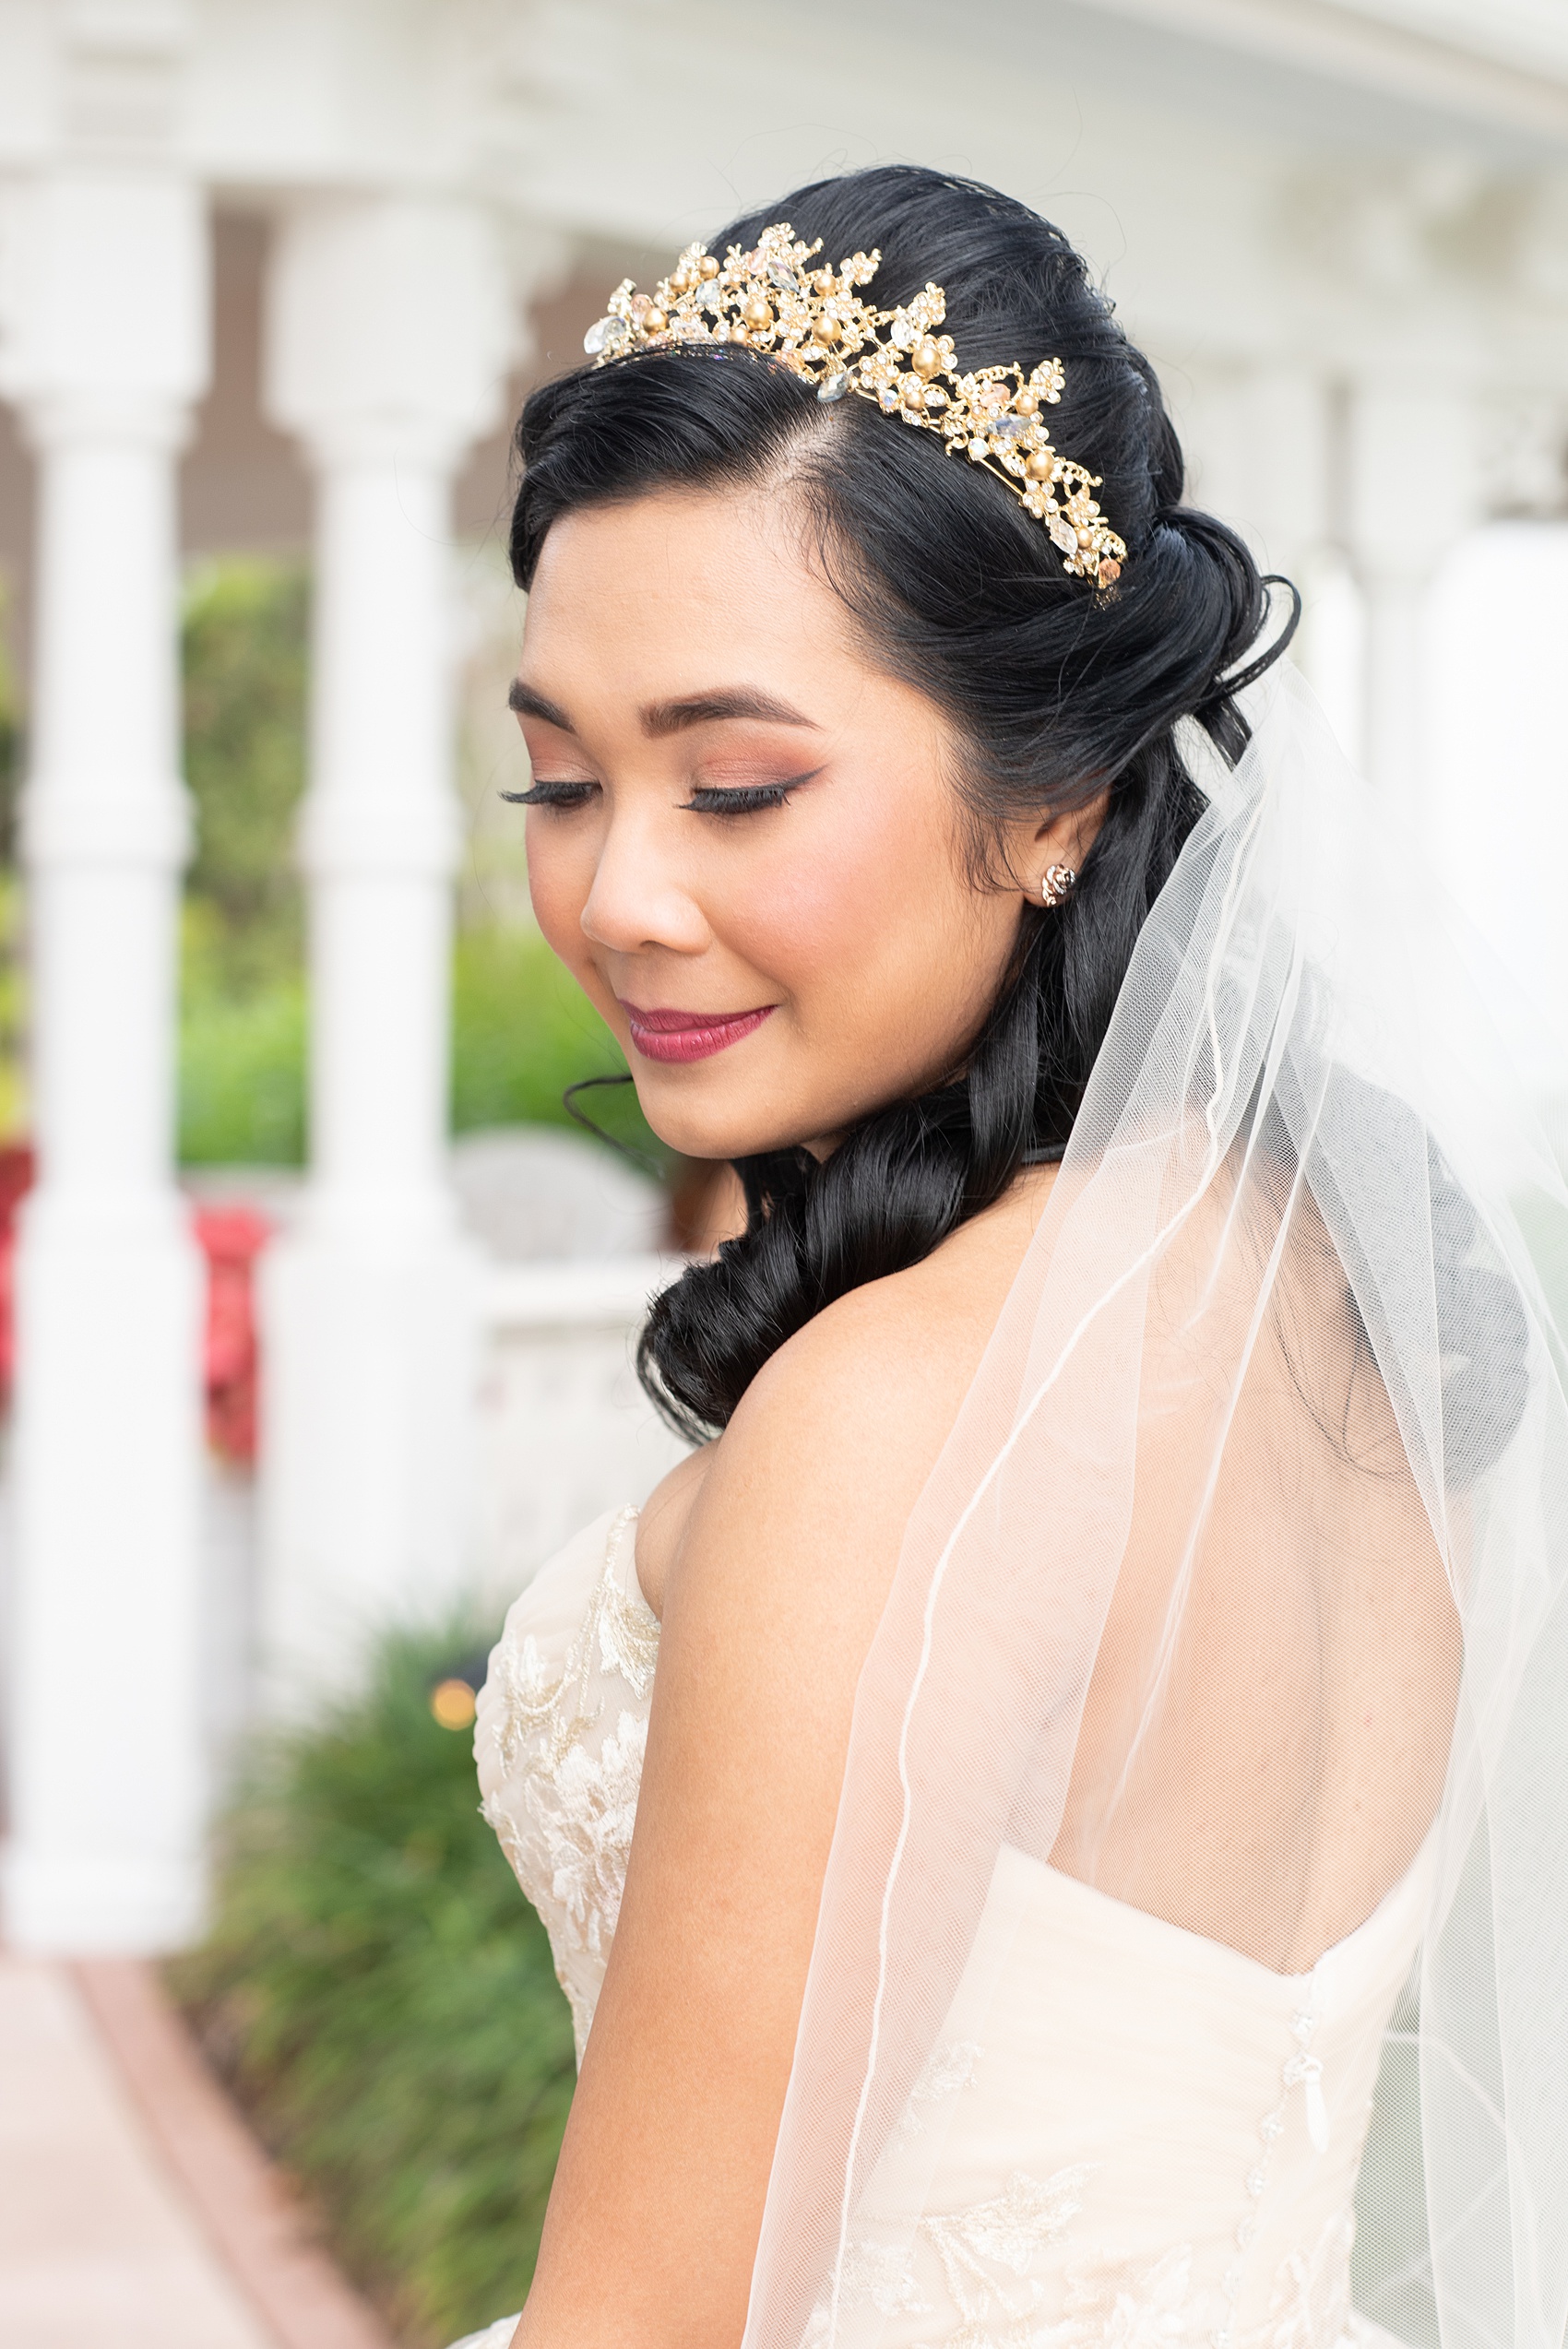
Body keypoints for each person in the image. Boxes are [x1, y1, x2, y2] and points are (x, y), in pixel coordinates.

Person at [453, 168, 1568, 2349]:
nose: (617, 897)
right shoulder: (1323, 1286)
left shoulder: (900, 1423)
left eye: (740, 784)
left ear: (1056, 792)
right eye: (559, 783)